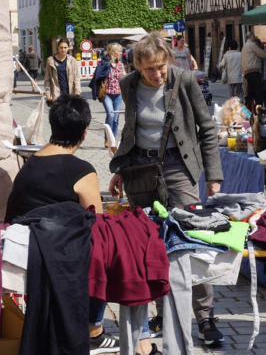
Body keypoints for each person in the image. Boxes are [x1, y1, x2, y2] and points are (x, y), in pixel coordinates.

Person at [108, 31, 224, 349]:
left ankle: (205, 317)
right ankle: (163, 311)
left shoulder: (184, 80)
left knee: (190, 240)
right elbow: (129, 130)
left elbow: (208, 128)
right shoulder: (129, 84)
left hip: (179, 168)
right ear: (137, 67)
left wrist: (213, 175)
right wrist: (121, 169)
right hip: (141, 172)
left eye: (161, 66)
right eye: (149, 69)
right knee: (150, 241)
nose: (157, 74)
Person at [4, 94, 121, 355]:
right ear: (84, 132)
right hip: (57, 257)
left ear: (53, 126)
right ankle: (95, 331)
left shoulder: (28, 164)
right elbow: (98, 223)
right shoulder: (82, 170)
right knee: (109, 247)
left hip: (20, 251)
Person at [89, 43, 126, 148]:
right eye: (118, 51)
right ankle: (107, 138)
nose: (120, 53)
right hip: (107, 94)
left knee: (116, 118)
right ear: (113, 52)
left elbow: (124, 78)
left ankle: (113, 139)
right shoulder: (105, 63)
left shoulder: (121, 65)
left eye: (120, 51)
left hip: (118, 94)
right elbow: (97, 75)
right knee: (111, 115)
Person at [44, 38, 81, 105]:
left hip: (70, 93)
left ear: (68, 48)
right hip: (56, 94)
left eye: (65, 47)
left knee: (70, 114)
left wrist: (77, 91)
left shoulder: (72, 60)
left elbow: (76, 77)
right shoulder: (50, 61)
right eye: (61, 47)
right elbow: (47, 78)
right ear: (58, 47)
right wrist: (48, 93)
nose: (63, 49)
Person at [241, 32, 266, 112]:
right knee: (258, 92)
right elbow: (263, 54)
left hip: (247, 72)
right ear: (252, 37)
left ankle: (249, 109)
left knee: (251, 93)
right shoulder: (252, 45)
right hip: (254, 71)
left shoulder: (244, 46)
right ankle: (259, 110)